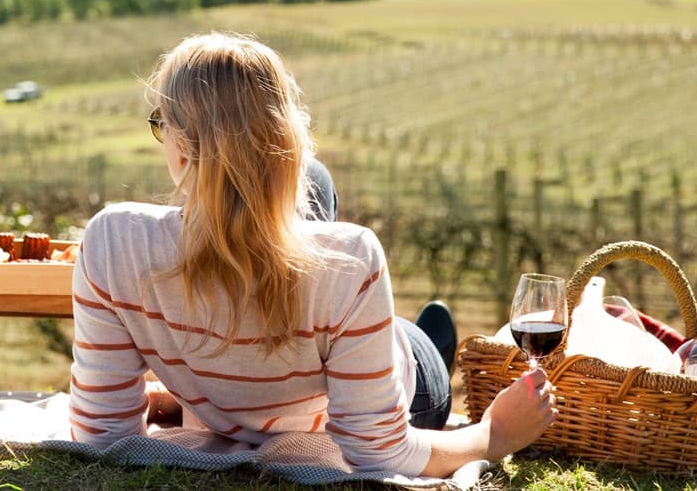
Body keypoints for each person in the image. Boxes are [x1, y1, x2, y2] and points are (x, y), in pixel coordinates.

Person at [70, 32, 555, 477]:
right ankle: (430, 346)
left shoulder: (111, 241)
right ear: (287, 143)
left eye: (161, 125)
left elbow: (101, 438)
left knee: (318, 202)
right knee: (319, 193)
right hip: (397, 384)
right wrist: (493, 435)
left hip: (278, 380)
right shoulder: (352, 258)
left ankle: (416, 340)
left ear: (179, 149)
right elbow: (383, 453)